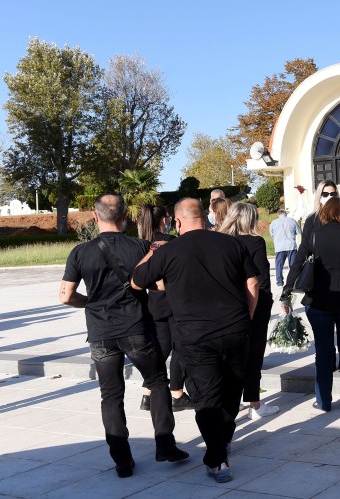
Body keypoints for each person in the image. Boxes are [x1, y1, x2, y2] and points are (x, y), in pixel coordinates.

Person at [60, 194, 188, 478]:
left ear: (95, 217)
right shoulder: (141, 247)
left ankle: (122, 460)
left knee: (110, 395)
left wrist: (91, 303)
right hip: (136, 328)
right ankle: (165, 445)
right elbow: (158, 285)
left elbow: (66, 296)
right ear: (125, 217)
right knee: (157, 381)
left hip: (100, 333)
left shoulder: (80, 252)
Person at [132, 198, 259, 484]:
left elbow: (137, 280)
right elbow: (252, 282)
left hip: (196, 337)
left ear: (177, 222)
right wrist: (247, 319)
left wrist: (152, 250)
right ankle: (222, 443)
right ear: (205, 216)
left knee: (206, 399)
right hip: (236, 330)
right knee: (231, 393)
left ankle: (217, 459)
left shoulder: (170, 250)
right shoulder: (232, 244)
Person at [281, 198, 340, 411]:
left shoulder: (314, 236)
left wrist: (287, 290)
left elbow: (298, 262)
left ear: (324, 213)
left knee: (323, 351)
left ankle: (323, 401)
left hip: (319, 299)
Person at [218, 202, 279, 421]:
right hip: (254, 304)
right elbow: (260, 279)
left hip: (226, 306)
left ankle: (230, 402)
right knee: (253, 355)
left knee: (230, 357)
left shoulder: (220, 241)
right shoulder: (255, 242)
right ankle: (254, 403)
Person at [136, 205, 193, 413]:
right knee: (179, 347)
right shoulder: (170, 241)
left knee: (162, 347)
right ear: (164, 220)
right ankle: (177, 393)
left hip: (154, 303)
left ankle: (148, 392)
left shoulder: (143, 244)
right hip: (173, 302)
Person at [269, 208, 301, 287]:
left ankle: (279, 282)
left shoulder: (273, 222)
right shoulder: (292, 221)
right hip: (291, 246)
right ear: (286, 214)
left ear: (278, 214)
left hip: (279, 247)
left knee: (279, 265)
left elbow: (272, 234)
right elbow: (298, 232)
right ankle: (293, 282)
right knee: (293, 266)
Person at [302, 180, 340, 246]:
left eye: (333, 194)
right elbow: (305, 245)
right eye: (325, 194)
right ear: (319, 196)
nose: (329, 197)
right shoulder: (311, 220)